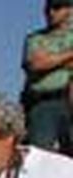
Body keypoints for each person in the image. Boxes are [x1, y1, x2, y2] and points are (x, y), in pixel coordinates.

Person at [23, 0, 73, 154]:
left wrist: (51, 60)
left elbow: (44, 62)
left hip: (69, 100)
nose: (51, 12)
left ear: (69, 9)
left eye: (57, 7)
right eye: (48, 9)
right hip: (42, 103)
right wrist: (69, 55)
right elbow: (35, 64)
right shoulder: (35, 38)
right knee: (39, 154)